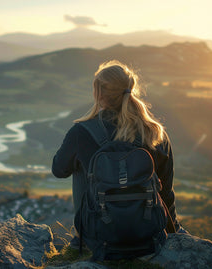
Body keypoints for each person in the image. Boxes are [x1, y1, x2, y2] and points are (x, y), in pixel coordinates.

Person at [52, 60, 186, 249]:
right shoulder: (155, 133)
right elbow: (165, 191)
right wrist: (174, 232)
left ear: (98, 93)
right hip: (149, 234)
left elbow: (59, 169)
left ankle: (87, 230)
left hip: (96, 237)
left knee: (83, 165)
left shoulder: (81, 132)